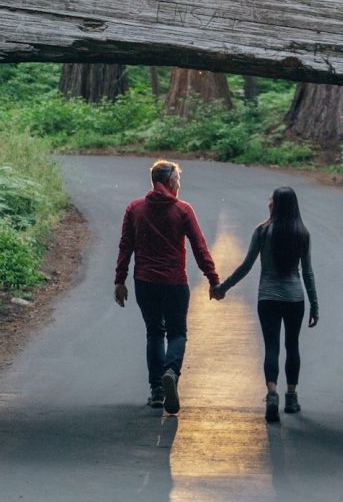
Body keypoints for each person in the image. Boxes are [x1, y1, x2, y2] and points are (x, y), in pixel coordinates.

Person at [114, 159, 220, 414]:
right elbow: (199, 246)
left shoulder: (135, 209)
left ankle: (157, 392)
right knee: (177, 333)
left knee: (154, 332)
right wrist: (213, 278)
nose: (179, 185)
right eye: (178, 181)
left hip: (145, 282)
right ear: (170, 182)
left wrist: (120, 280)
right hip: (174, 282)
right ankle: (171, 371)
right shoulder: (182, 210)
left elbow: (125, 246)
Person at [212, 186, 319, 422]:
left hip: (268, 298)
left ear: (276, 204)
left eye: (271, 199)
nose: (268, 201)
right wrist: (314, 305)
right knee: (292, 345)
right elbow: (308, 273)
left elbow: (246, 266)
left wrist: (223, 288)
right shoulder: (303, 233)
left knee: (272, 347)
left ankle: (272, 394)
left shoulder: (262, 232)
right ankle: (291, 397)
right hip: (295, 298)